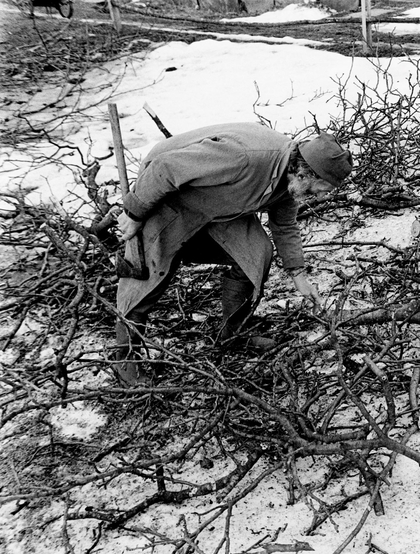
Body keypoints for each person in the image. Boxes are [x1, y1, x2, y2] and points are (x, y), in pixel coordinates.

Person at [112, 123, 353, 385]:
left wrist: (298, 275)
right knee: (145, 278)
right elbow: (165, 168)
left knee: (256, 252)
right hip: (168, 193)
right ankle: (125, 360)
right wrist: (134, 212)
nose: (321, 195)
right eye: (323, 188)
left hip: (220, 201)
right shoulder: (244, 157)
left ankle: (234, 333)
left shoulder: (290, 176)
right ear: (307, 173)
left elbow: (284, 224)